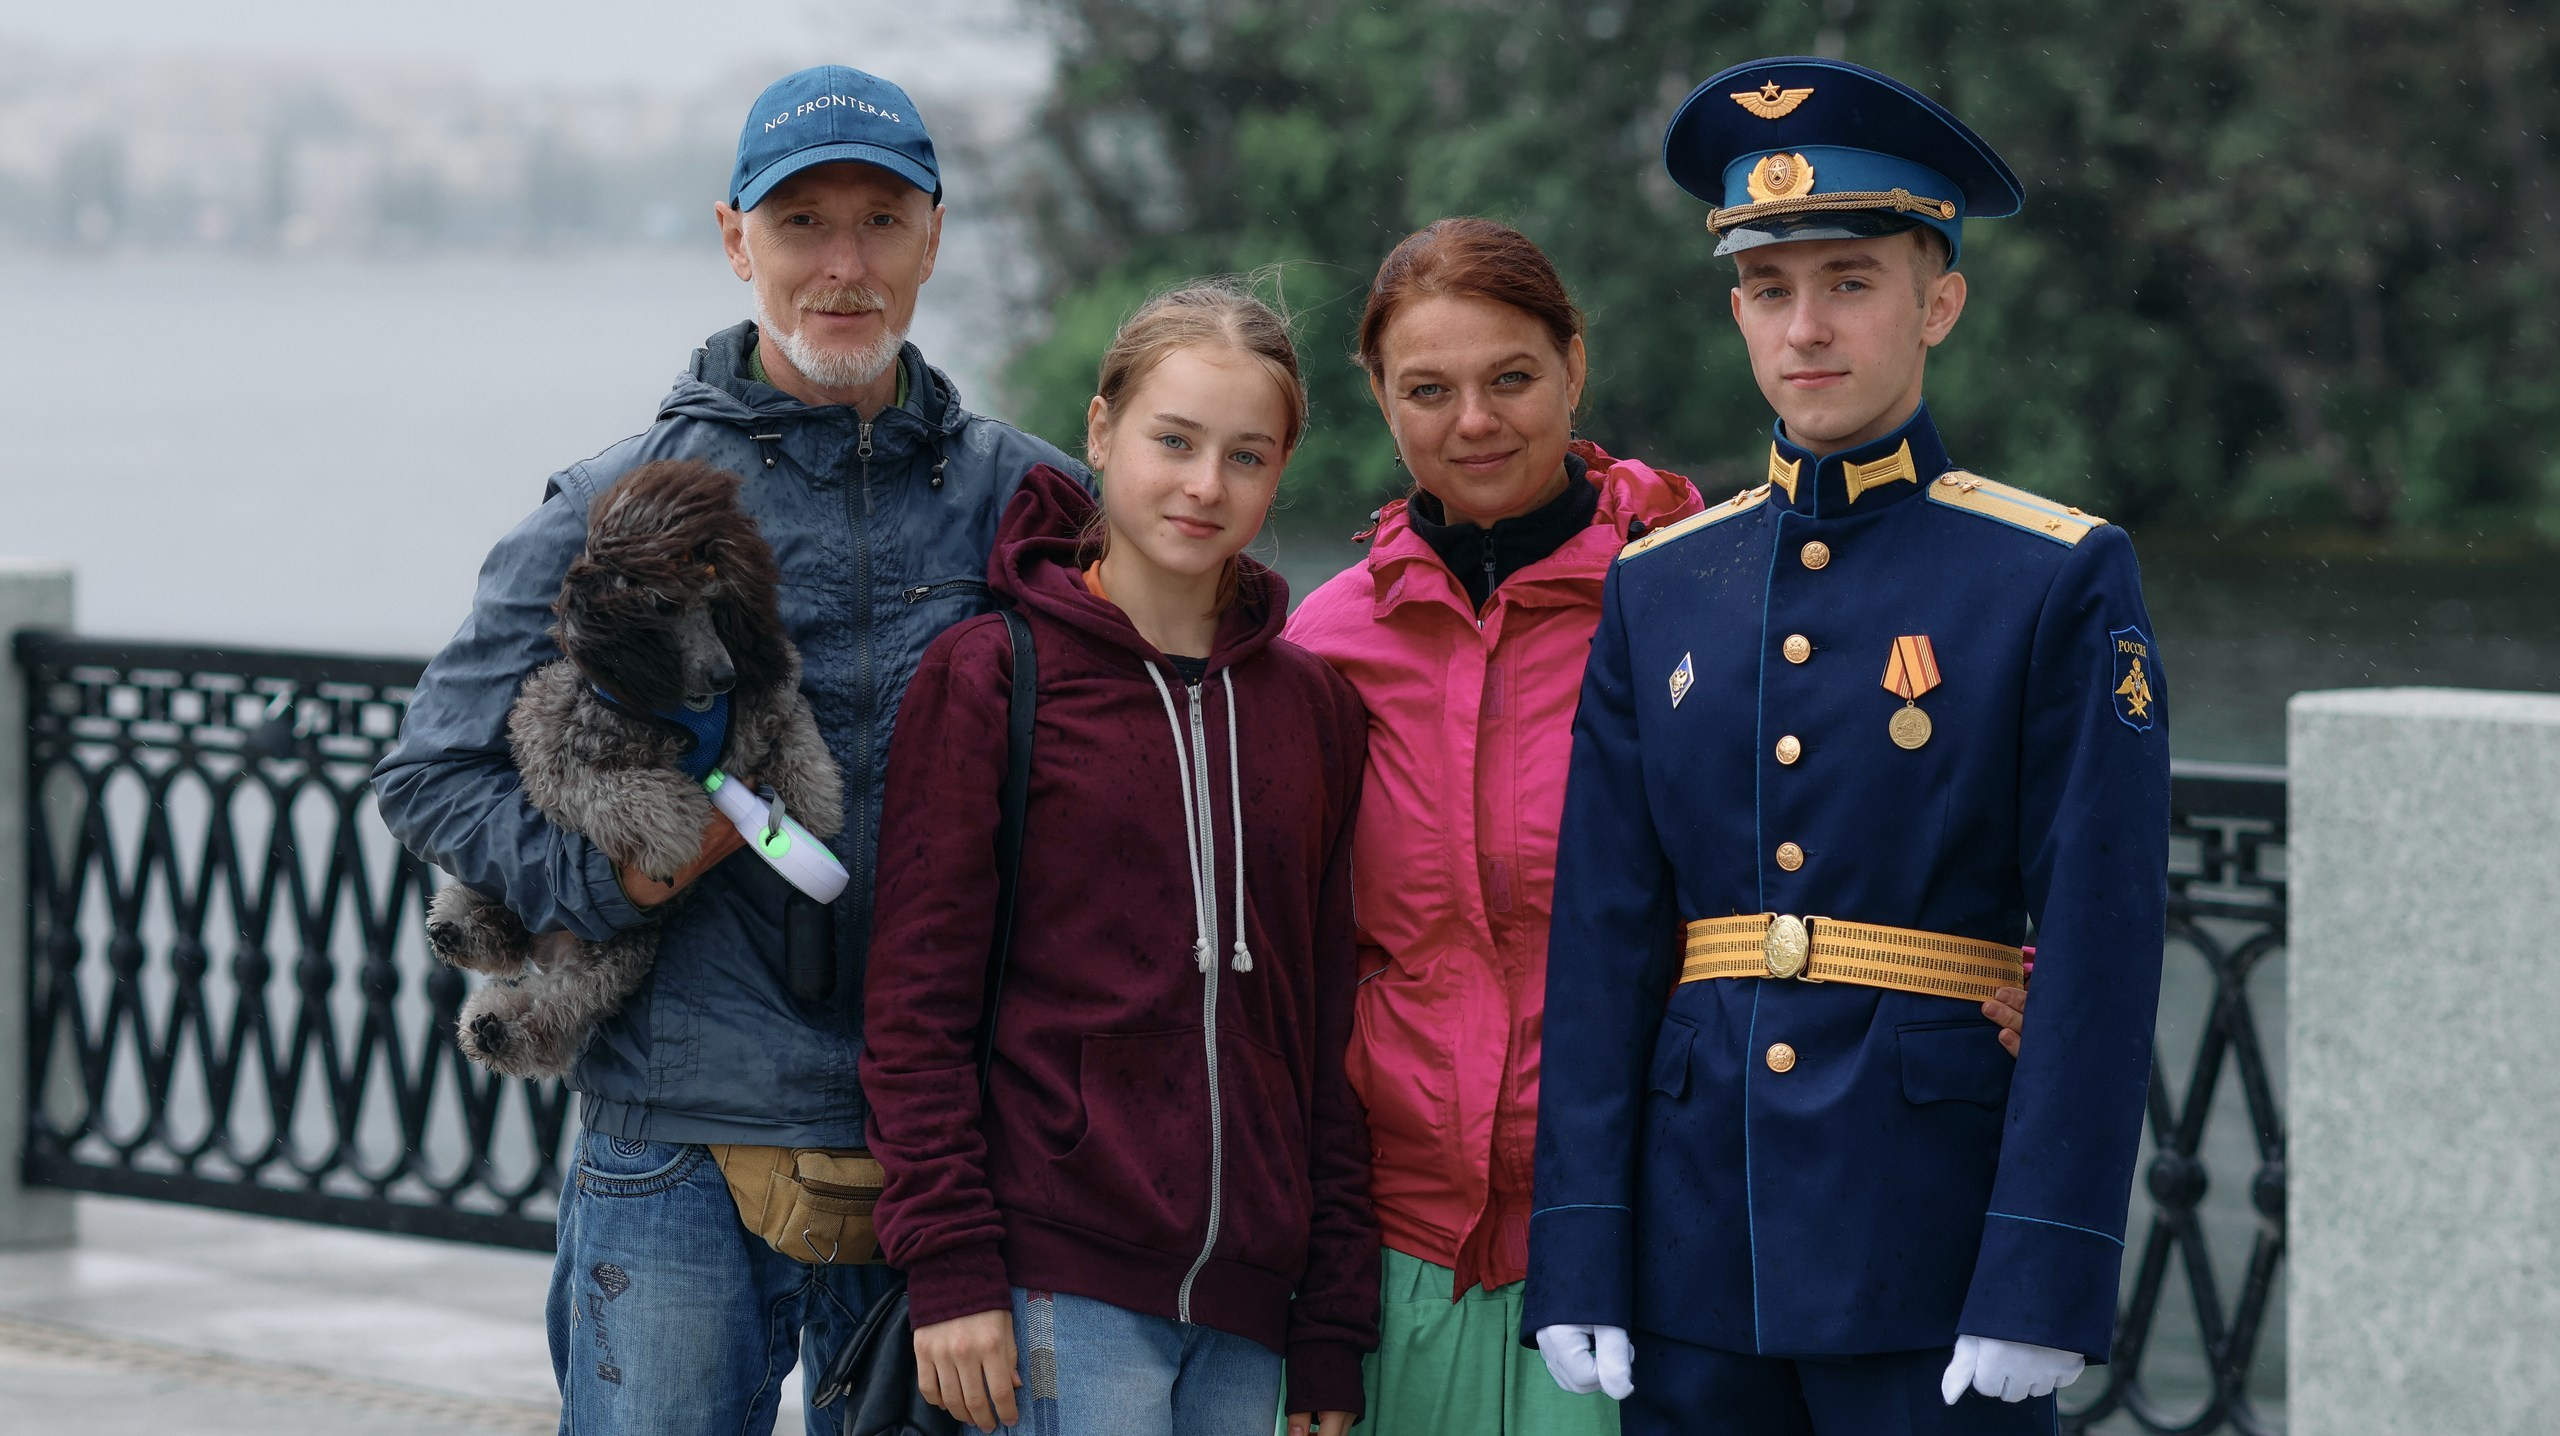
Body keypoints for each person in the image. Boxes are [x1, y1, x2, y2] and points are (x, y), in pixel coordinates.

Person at [372, 65, 1079, 1435]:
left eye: (880, 222)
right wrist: (613, 877)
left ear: (933, 238)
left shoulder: (1034, 497)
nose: (843, 265)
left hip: (947, 1148)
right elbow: (430, 772)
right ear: (734, 238)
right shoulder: (610, 504)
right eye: (802, 223)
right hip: (678, 1135)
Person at [1287, 218, 2034, 1436]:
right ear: (1375, 393)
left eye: (1511, 377)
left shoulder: (1699, 593)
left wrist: (2007, 976)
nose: (1472, 421)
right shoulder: (1321, 644)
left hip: (1652, 1235)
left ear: (1574, 366)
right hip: (1391, 1238)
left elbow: (1873, 813)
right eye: (1426, 389)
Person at [1523, 56, 2171, 1436]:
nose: (1805, 326)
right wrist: (1579, 1239)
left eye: (1851, 281)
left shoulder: (2052, 576)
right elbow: (1603, 939)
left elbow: (2102, 943)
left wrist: (2044, 1269)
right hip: (1692, 1247)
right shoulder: (1659, 585)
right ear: (1736, 311)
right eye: (1768, 289)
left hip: (1931, 1248)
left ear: (1939, 303)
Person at [861, 282, 1376, 1436]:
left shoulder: (1312, 708)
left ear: (1282, 469)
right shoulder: (993, 675)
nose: (1205, 485)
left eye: (1245, 455)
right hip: (1058, 1278)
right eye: (1173, 441)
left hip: (1254, 1306)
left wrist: (1331, 1319)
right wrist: (949, 1264)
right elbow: (915, 1007)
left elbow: (1326, 1024)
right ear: (1100, 430)